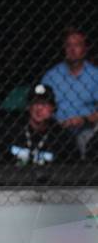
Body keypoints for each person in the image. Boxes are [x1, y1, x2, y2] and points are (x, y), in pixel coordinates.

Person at [41, 28, 98, 157]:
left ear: (85, 48)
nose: (72, 50)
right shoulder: (51, 76)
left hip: (87, 128)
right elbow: (40, 105)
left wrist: (84, 119)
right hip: (55, 129)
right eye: (68, 45)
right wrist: (56, 122)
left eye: (77, 45)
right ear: (64, 48)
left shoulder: (95, 75)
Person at [0, 84, 80, 166]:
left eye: (44, 104)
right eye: (35, 102)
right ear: (28, 106)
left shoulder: (62, 137)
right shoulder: (11, 131)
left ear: (53, 108)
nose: (39, 108)